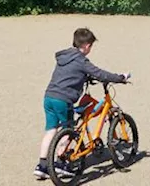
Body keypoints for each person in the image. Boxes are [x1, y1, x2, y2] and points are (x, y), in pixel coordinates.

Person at [35, 28, 130, 180]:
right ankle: (61, 163)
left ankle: (42, 166)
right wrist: (119, 78)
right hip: (63, 99)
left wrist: (84, 78)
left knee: (51, 130)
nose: (90, 49)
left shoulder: (64, 57)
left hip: (49, 97)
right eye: (90, 46)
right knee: (68, 130)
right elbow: (100, 73)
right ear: (86, 46)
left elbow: (68, 74)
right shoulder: (81, 60)